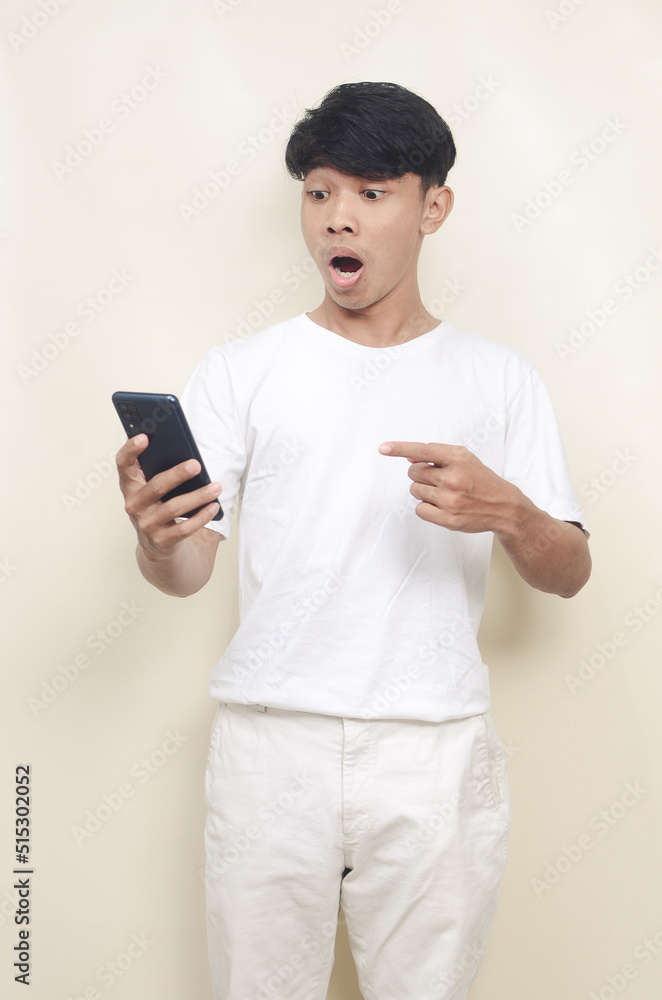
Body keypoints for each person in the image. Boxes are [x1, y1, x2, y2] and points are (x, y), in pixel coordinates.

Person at [116, 81, 591, 1000]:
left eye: (372, 194)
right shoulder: (242, 371)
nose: (339, 219)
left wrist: (510, 513)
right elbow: (185, 571)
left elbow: (569, 571)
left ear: (433, 207)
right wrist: (155, 536)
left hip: (435, 750)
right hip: (270, 744)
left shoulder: (499, 379)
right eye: (320, 192)